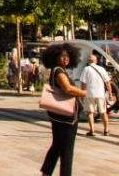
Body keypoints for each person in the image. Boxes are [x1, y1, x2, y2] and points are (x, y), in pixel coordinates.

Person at [39, 42, 86, 176]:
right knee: (67, 149)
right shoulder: (59, 71)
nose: (66, 58)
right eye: (62, 56)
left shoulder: (57, 70)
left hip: (58, 115)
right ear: (56, 57)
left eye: (68, 56)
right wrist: (84, 93)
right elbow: (68, 89)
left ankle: (46, 173)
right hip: (66, 117)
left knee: (57, 146)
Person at [80, 51, 111, 137]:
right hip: (100, 94)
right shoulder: (102, 69)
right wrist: (110, 94)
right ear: (96, 61)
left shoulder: (86, 69)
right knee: (103, 112)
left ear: (89, 61)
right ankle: (106, 130)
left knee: (90, 112)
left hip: (89, 94)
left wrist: (82, 93)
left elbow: (83, 83)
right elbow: (107, 82)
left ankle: (92, 130)